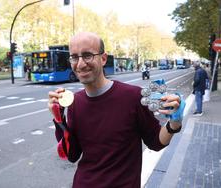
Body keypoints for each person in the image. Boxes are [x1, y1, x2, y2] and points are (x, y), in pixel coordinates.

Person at [48, 32, 184, 188]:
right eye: (74, 57)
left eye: (87, 56)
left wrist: (175, 122)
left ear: (103, 58)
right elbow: (72, 155)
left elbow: (155, 142)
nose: (80, 64)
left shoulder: (133, 96)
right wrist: (59, 119)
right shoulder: (74, 103)